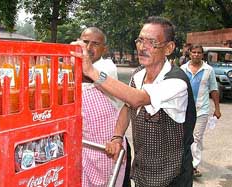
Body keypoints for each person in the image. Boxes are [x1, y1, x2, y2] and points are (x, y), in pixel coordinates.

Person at [72, 16, 196, 186]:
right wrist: (117, 137)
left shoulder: (177, 81)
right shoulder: (138, 74)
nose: (142, 47)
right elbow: (127, 106)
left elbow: (137, 99)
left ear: (168, 48)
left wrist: (91, 71)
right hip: (143, 170)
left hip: (172, 174)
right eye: (140, 40)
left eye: (151, 42)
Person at [80, 27, 128, 187]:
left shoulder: (107, 68)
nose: (88, 48)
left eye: (95, 44)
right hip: (86, 146)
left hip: (107, 146)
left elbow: (89, 77)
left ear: (104, 49)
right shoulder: (75, 65)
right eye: (85, 42)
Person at [180, 44, 221, 177]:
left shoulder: (208, 70)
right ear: (190, 54)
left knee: (196, 137)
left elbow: (213, 89)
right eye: (194, 52)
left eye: (199, 53)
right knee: (185, 137)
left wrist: (217, 108)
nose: (196, 55)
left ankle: (193, 166)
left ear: (202, 55)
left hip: (201, 110)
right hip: (184, 110)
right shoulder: (182, 69)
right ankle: (185, 162)